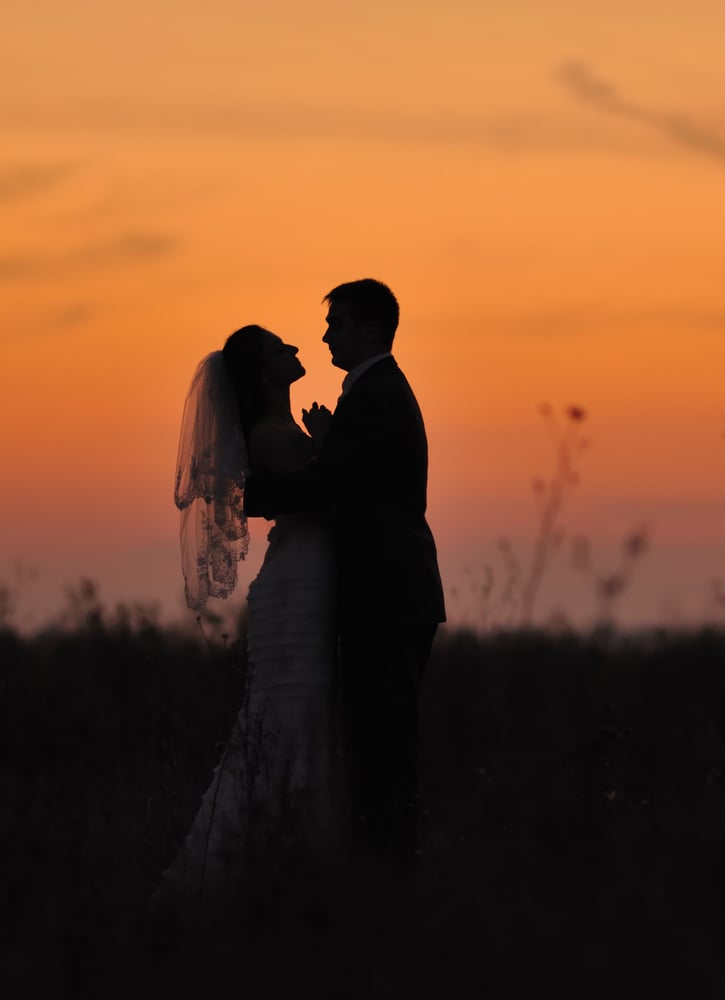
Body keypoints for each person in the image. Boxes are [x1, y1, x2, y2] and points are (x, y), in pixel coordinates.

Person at [244, 278, 446, 869]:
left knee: (381, 745)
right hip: (388, 590)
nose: (327, 334)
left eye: (336, 324)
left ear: (368, 327)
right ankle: (382, 867)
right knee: (375, 740)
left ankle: (386, 874)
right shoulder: (373, 394)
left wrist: (253, 495)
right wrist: (331, 446)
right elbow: (352, 475)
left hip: (385, 595)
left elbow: (333, 484)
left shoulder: (376, 395)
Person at [151, 324, 340, 914]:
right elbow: (328, 495)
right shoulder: (272, 438)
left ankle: (283, 863)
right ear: (264, 374)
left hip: (303, 575)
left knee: (296, 714)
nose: (295, 350)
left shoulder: (282, 432)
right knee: (293, 713)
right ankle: (265, 866)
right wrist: (331, 445)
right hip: (301, 582)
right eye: (280, 348)